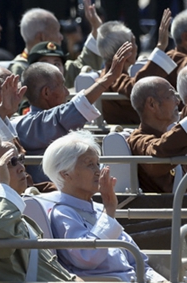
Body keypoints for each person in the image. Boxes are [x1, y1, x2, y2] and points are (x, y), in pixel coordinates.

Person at [44, 132, 166, 283]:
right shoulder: (62, 213)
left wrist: (160, 282)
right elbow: (87, 258)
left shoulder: (98, 209)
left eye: (97, 164)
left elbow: (137, 260)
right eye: (89, 164)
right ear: (65, 174)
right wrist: (109, 210)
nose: (98, 171)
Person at [0, 137, 75, 282]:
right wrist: (3, 185)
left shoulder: (10, 211)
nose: (22, 167)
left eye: (20, 160)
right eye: (10, 163)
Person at [15, 45, 130, 184]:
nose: (67, 92)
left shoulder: (16, 123)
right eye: (62, 86)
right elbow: (78, 106)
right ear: (46, 92)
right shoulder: (39, 123)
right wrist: (109, 77)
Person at [9, 6, 103, 87]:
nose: (61, 37)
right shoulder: (19, 70)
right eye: (56, 31)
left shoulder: (58, 65)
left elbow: (85, 64)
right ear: (42, 37)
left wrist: (96, 27)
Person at [127, 76, 187, 194]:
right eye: (171, 95)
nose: (177, 101)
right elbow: (157, 155)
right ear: (152, 104)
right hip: (172, 204)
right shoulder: (137, 140)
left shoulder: (170, 132)